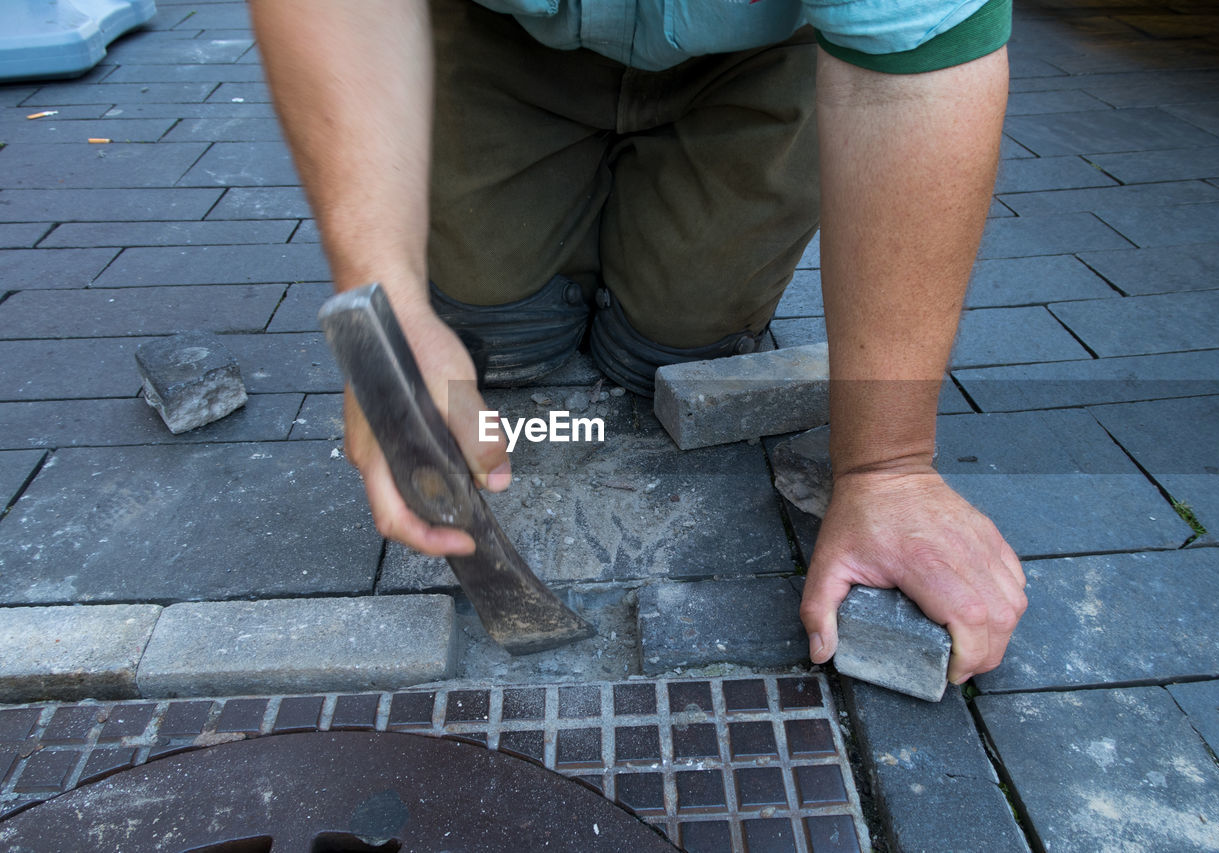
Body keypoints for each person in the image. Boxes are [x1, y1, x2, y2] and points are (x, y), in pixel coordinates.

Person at [249, 0, 1028, 685]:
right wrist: (387, 307)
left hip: (745, 56)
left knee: (669, 352)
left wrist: (886, 466)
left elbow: (921, 59)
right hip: (501, 30)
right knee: (498, 333)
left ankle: (632, 206)